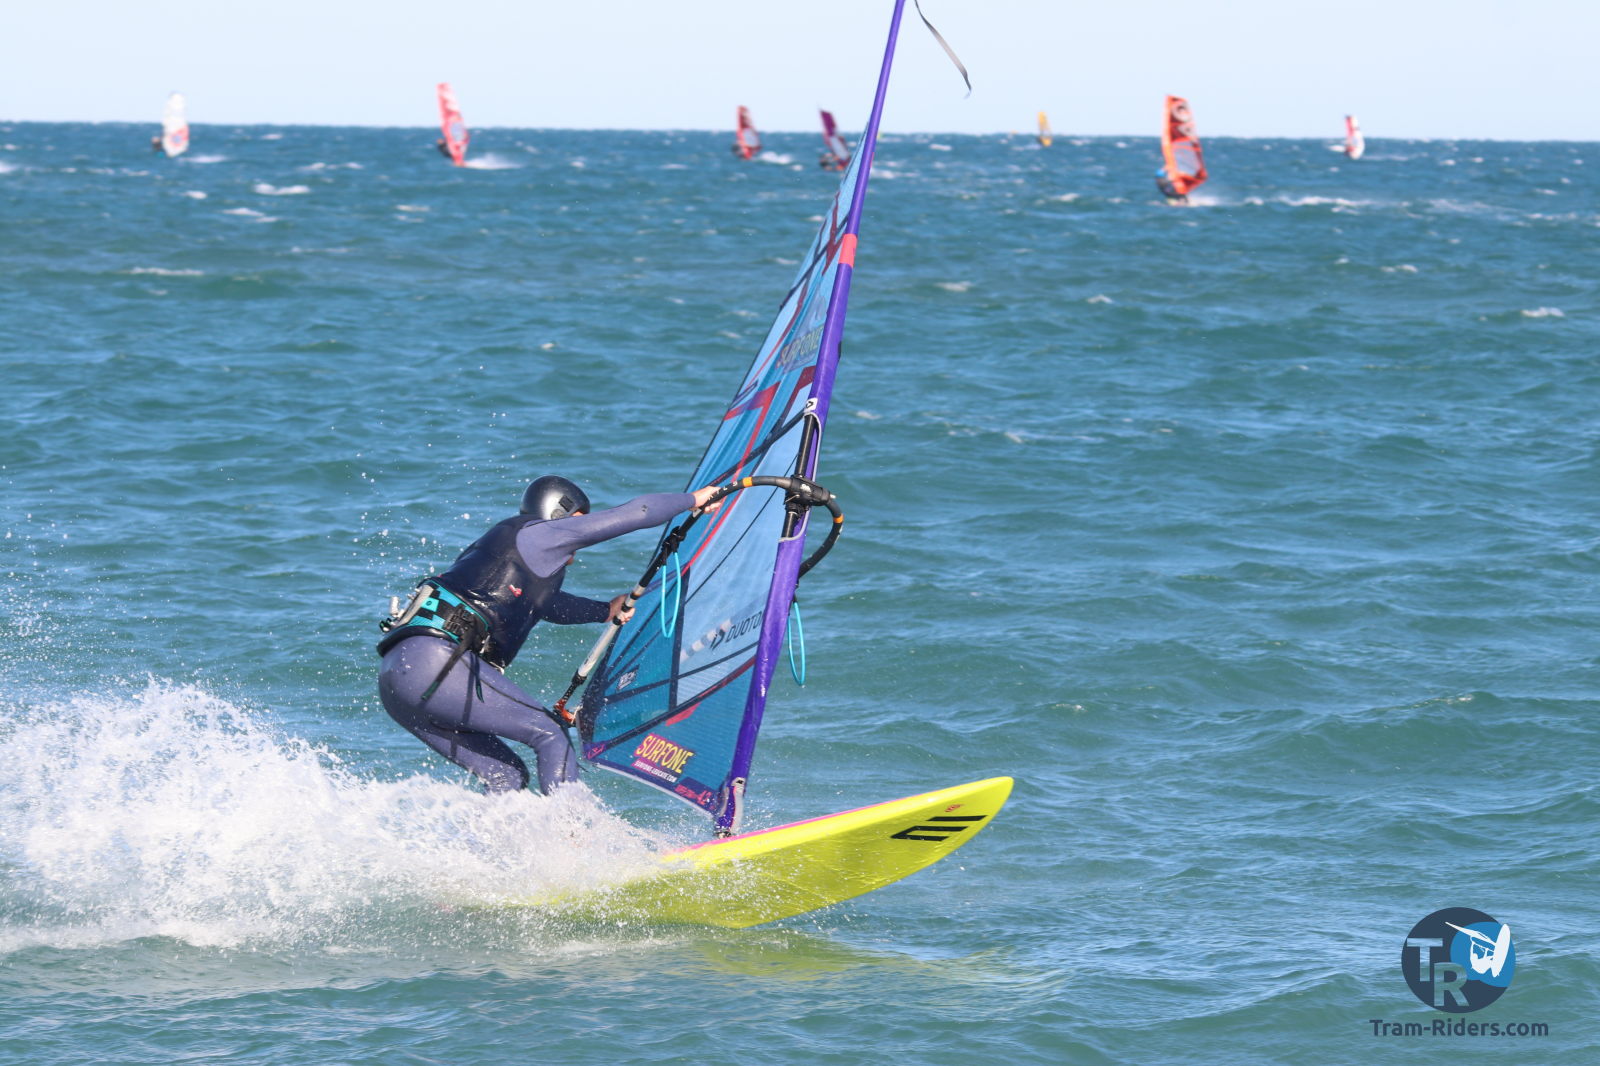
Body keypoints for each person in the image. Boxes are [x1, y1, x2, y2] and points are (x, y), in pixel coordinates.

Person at [377, 475, 723, 795]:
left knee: (506, 777)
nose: (580, 535)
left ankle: (491, 843)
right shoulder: (537, 534)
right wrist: (694, 499)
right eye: (579, 520)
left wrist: (605, 610)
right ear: (558, 514)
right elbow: (639, 512)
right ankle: (573, 836)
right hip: (434, 663)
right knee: (550, 733)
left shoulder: (511, 554)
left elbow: (549, 605)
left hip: (400, 680)